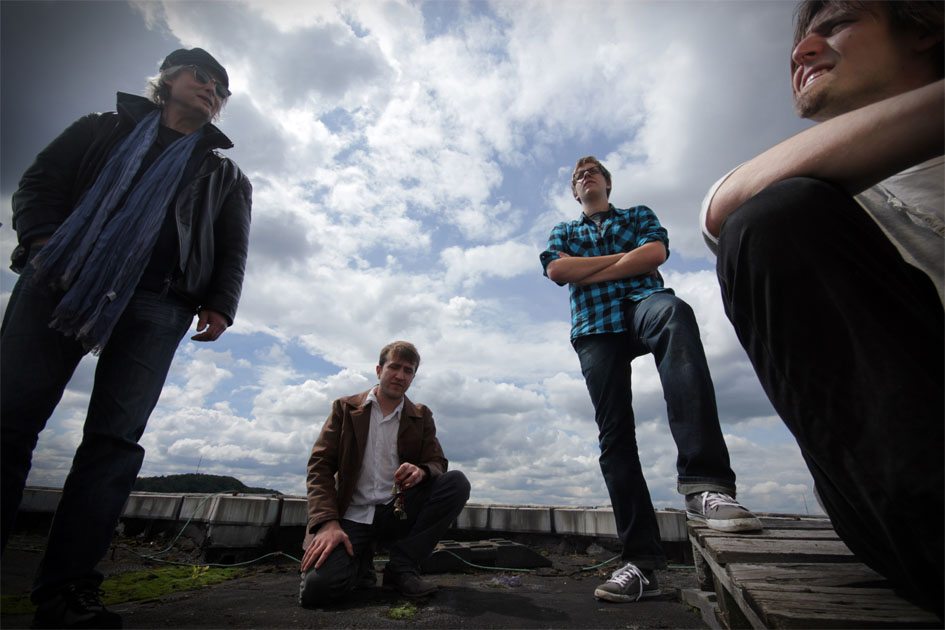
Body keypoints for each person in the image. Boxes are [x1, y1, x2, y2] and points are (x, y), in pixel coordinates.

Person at [699, 0, 943, 616]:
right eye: (801, 40)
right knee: (774, 221)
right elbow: (723, 209)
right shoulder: (819, 200)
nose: (801, 52)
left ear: (924, 30)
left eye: (837, 24)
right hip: (919, 498)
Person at [1, 48, 252, 628]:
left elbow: (233, 245)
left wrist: (220, 304)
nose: (212, 89)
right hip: (62, 275)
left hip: (160, 300)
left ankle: (67, 592)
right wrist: (43, 242)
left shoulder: (225, 175)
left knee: (114, 443)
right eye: (202, 76)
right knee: (9, 421)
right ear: (167, 78)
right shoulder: (100, 130)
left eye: (222, 89)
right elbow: (39, 183)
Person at [540, 157, 761, 604]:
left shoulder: (638, 214)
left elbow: (655, 255)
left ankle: (705, 484)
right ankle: (641, 564)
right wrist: (626, 262)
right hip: (594, 327)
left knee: (674, 315)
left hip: (644, 302)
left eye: (593, 172)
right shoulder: (563, 231)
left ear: (607, 183)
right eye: (578, 176)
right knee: (615, 433)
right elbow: (558, 271)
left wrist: (591, 269)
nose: (586, 176)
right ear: (574, 192)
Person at [299, 341, 470, 607]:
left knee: (456, 483)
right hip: (352, 516)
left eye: (408, 370)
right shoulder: (345, 409)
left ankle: (401, 568)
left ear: (413, 377)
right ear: (379, 370)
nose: (400, 376)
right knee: (317, 591)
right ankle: (360, 562)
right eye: (394, 367)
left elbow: (438, 462)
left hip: (397, 511)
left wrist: (422, 471)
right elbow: (319, 466)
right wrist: (327, 523)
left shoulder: (421, 415)